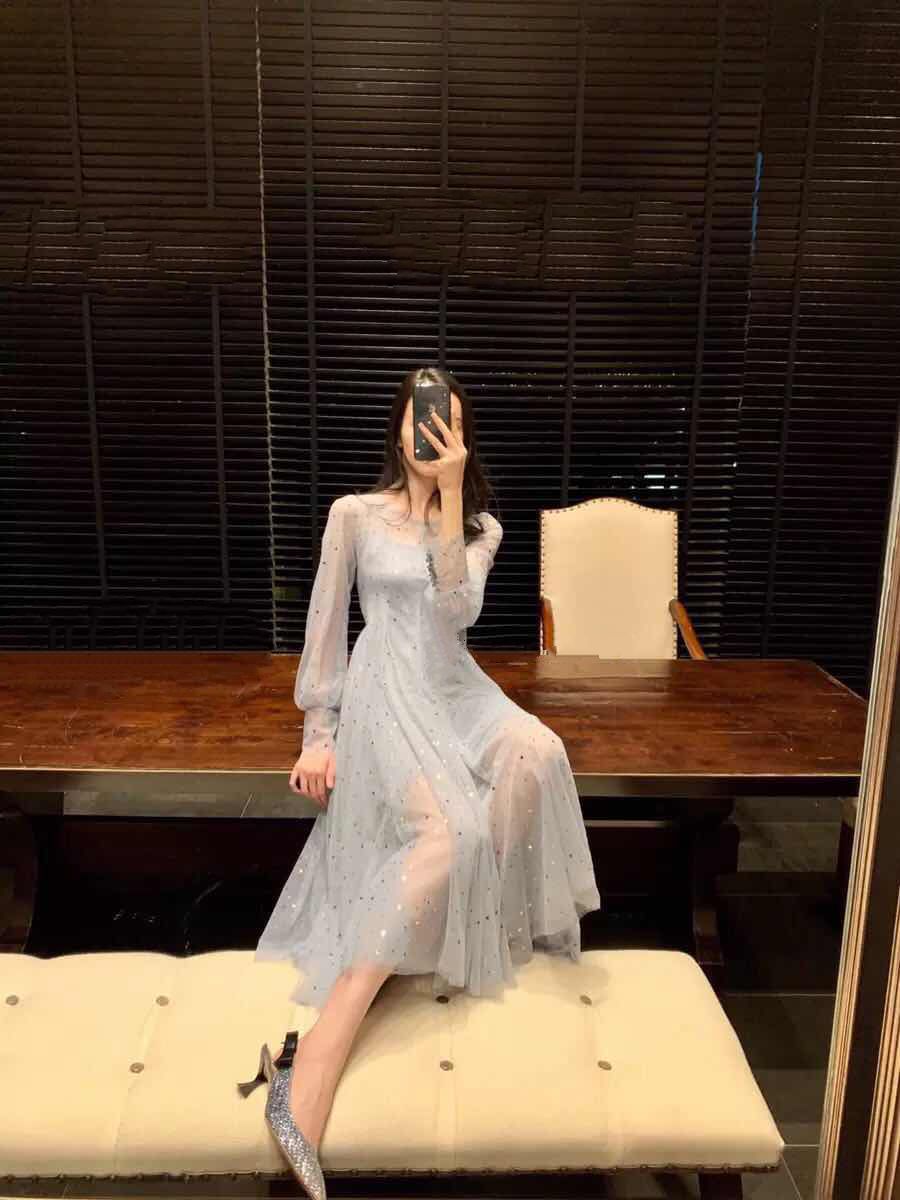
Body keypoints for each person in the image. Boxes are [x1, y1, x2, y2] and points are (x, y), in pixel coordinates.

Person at [241, 366, 602, 1199]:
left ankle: (459, 930)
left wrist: (448, 499)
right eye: (418, 418)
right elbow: (325, 624)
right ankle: (314, 1059)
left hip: (454, 685)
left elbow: (456, 613)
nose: (429, 432)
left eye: (446, 423)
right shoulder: (353, 514)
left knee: (538, 751)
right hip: (385, 688)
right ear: (397, 429)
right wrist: (319, 733)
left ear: (460, 440)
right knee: (453, 833)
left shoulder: (480, 526)